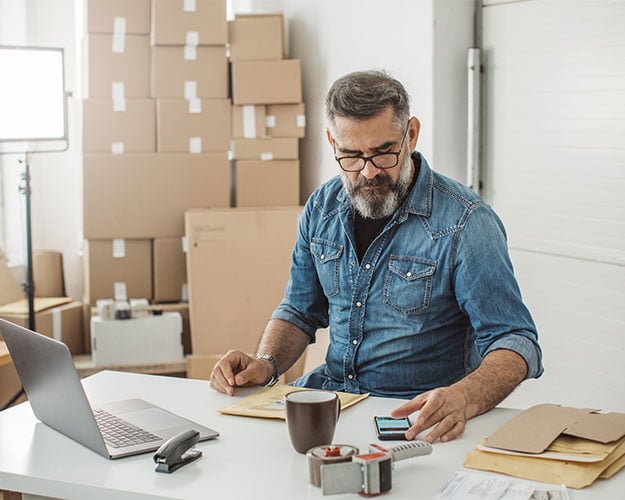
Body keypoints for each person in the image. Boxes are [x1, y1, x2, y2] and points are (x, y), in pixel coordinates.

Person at [211, 70, 543, 443]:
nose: (368, 172)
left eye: (384, 152)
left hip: (412, 418)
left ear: (411, 134)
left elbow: (515, 340)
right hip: (331, 400)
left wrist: (463, 398)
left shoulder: (465, 223)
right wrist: (266, 364)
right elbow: (300, 311)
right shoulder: (322, 207)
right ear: (332, 142)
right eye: (351, 156)